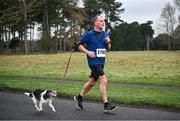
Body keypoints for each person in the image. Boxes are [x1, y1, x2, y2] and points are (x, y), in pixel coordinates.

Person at [74, 15, 118, 112]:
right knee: (104, 80)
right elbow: (78, 45)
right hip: (93, 62)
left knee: (92, 82)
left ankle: (79, 97)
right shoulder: (89, 34)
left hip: (101, 61)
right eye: (101, 21)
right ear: (95, 23)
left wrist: (108, 42)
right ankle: (106, 104)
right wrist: (88, 52)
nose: (103, 23)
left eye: (104, 21)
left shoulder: (104, 33)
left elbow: (108, 48)